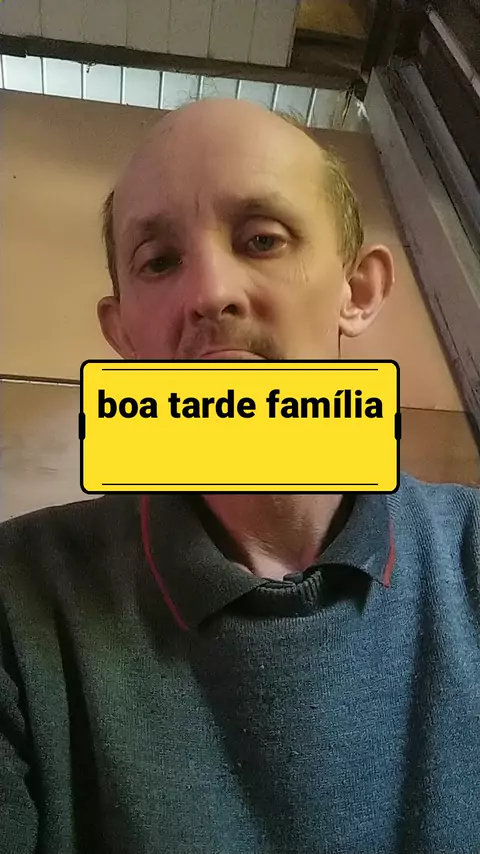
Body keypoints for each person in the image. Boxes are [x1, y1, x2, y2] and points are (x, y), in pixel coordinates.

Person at [0, 97, 479, 854]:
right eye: (160, 261)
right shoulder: (14, 598)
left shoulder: (473, 554)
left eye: (262, 239)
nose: (208, 293)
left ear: (358, 292)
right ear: (123, 334)